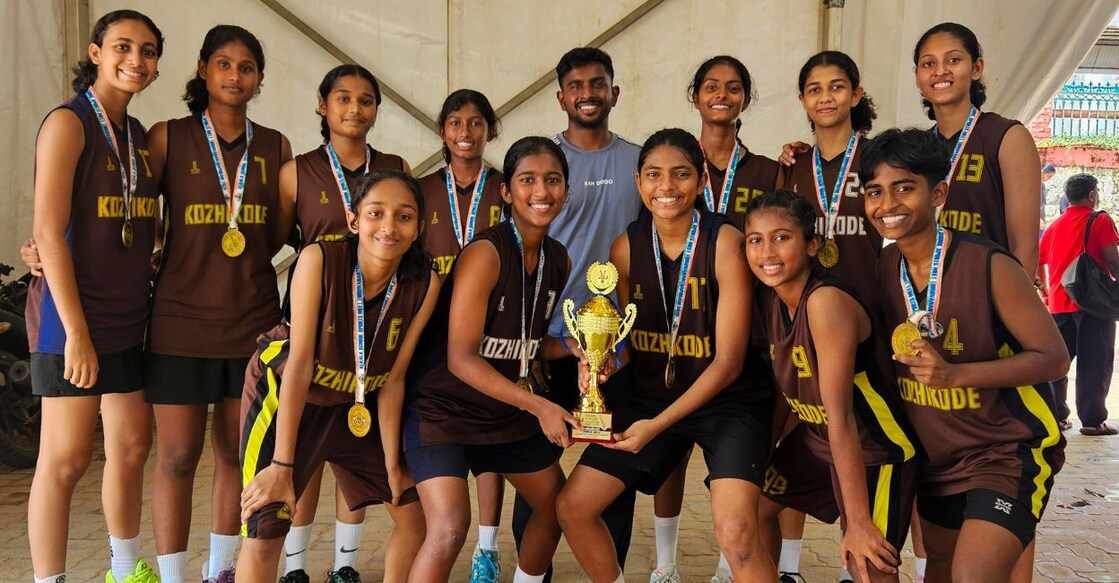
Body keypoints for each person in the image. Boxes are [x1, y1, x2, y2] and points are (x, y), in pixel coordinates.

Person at [556, 128, 775, 583]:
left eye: (680, 174)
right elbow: (630, 343)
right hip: (653, 397)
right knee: (573, 507)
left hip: (727, 403)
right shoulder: (625, 247)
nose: (667, 187)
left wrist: (657, 426)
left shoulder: (726, 243)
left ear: (699, 182)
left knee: (736, 533)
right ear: (638, 182)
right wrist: (601, 362)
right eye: (654, 175)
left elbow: (729, 362)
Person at [863, 128, 1068, 583]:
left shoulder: (989, 264)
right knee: (938, 567)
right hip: (936, 457)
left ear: (938, 192)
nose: (887, 204)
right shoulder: (883, 268)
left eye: (903, 188)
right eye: (874, 192)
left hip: (1006, 450)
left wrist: (956, 374)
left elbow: (1053, 358)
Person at [237, 170, 438, 583]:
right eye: (375, 213)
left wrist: (390, 463)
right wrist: (281, 464)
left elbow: (394, 380)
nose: (388, 227)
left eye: (404, 216)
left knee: (414, 514)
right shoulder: (319, 259)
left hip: (355, 405)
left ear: (419, 227)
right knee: (266, 528)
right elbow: (300, 363)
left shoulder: (424, 282)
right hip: (289, 397)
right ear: (353, 220)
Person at [144, 25, 293, 583]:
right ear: (203, 69)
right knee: (178, 457)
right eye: (224, 64)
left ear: (258, 79)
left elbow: (277, 233)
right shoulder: (167, 137)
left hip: (252, 325)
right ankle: (173, 575)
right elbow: (136, 217)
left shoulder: (276, 146)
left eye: (247, 67)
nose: (235, 76)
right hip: (179, 324)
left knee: (235, 455)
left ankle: (221, 572)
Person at [25, 10, 163, 583]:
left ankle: (125, 570)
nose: (136, 59)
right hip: (70, 318)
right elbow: (49, 233)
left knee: (131, 447)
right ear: (96, 51)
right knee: (65, 459)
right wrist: (77, 334)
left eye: (149, 51)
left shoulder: (138, 136)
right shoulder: (69, 122)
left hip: (127, 313)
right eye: (123, 47)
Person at [403, 136, 575, 583]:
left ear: (567, 190)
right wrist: (539, 405)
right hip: (444, 408)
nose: (541, 191)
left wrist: (576, 349)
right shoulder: (486, 252)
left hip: (502, 410)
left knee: (560, 507)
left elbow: (523, 344)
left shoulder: (559, 259)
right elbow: (461, 359)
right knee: (449, 530)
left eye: (553, 180)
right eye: (528, 180)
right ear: (507, 191)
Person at [643, 57, 781, 582]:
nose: (721, 94)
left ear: (746, 97)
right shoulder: (670, 166)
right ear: (695, 95)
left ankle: (730, 566)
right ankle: (665, 564)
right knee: (670, 454)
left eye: (733, 87)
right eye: (710, 86)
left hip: (751, 330)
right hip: (683, 328)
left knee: (744, 460)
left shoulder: (771, 168)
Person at [511, 46, 643, 583]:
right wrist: (530, 342)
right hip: (550, 345)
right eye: (576, 85)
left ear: (615, 90)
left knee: (612, 473)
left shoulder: (639, 162)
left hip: (615, 348)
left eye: (598, 83)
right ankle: (530, 573)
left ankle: (603, 572)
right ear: (560, 95)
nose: (587, 93)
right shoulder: (541, 164)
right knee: (536, 469)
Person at [745, 190, 919, 583]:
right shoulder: (771, 298)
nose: (767, 252)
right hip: (817, 437)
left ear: (812, 244)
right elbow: (788, 390)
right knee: (750, 510)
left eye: (781, 237)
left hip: (874, 446)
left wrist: (856, 523)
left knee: (868, 561)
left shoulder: (824, 302)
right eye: (756, 240)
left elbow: (840, 414)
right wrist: (762, 455)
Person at [278, 63, 409, 583]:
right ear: (322, 104)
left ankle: (346, 566)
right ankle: (293, 567)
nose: (355, 109)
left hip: (375, 325)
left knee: (351, 450)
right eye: (343, 98)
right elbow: (276, 242)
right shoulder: (297, 170)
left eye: (366, 100)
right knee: (307, 448)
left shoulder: (395, 165)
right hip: (316, 316)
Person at [771, 49, 881, 583]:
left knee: (885, 448)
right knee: (805, 431)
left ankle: (860, 556)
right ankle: (790, 568)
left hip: (874, 321)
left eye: (837, 87)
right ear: (803, 101)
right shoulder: (792, 167)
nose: (826, 97)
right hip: (808, 320)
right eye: (815, 89)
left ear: (856, 95)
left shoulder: (881, 158)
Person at [416, 88, 507, 583]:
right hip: (433, 335)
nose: (466, 133)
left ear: (489, 129)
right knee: (446, 440)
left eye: (476, 123)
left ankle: (487, 548)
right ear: (442, 130)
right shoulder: (424, 189)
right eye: (455, 122)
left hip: (491, 329)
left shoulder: (505, 187)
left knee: (488, 440)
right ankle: (438, 537)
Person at [913, 22, 1043, 275]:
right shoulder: (918, 148)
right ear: (917, 76)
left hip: (989, 292)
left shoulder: (1007, 137)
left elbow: (1024, 247)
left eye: (953, 60)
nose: (940, 71)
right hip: (926, 293)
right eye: (928, 64)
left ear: (976, 68)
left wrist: (1013, 310)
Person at [1040, 173, 1119, 435]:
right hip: (1092, 305)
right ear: (1092, 195)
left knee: (1058, 362)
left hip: (1058, 305)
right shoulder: (1100, 220)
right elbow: (1113, 261)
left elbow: (1037, 261)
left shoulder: (1053, 226)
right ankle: (1093, 421)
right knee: (1095, 363)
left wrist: (1045, 291)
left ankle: (1056, 416)